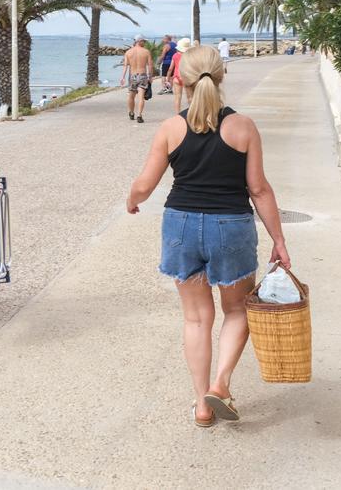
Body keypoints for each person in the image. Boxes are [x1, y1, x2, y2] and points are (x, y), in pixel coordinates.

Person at [126, 45, 291, 427]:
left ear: (182, 79)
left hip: (180, 225)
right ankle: (221, 382)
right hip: (230, 225)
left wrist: (132, 199)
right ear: (222, 77)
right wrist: (279, 239)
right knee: (237, 310)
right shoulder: (243, 127)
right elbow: (260, 189)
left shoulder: (171, 128)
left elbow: (145, 185)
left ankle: (202, 404)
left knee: (197, 320)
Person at [120, 35, 154, 122]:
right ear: (139, 41)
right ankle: (139, 115)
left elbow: (125, 66)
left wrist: (122, 77)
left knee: (131, 96)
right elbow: (150, 66)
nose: (145, 43)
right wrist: (150, 77)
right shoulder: (146, 52)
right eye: (144, 41)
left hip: (132, 76)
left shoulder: (128, 52)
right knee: (141, 97)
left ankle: (131, 113)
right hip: (142, 75)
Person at [171, 38, 191, 112]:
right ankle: (191, 114)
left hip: (177, 77)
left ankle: (177, 114)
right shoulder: (189, 56)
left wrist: (168, 77)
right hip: (187, 77)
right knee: (189, 97)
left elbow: (171, 68)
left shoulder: (175, 55)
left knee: (177, 97)